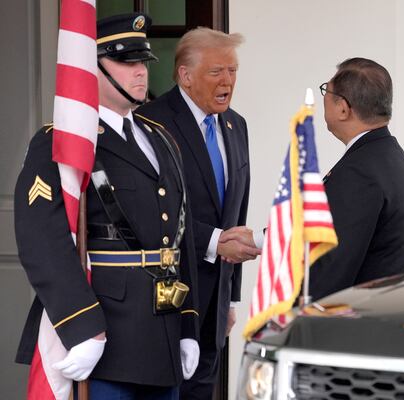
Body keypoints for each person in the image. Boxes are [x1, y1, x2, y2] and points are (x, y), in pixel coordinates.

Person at [14, 13, 200, 399]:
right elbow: (43, 241)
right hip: (106, 335)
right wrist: (81, 326)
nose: (140, 73)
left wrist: (188, 325)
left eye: (142, 62)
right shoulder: (62, 142)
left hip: (163, 334)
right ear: (89, 69)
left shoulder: (160, 138)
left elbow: (182, 239)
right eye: (125, 61)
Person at [137, 27, 260, 399]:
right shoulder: (150, 124)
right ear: (185, 76)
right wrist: (215, 242)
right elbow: (151, 212)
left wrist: (233, 298)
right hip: (168, 298)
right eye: (216, 72)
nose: (227, 81)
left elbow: (236, 212)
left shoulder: (236, 125)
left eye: (233, 71)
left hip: (216, 302)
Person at [309, 57, 404, 301]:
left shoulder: (360, 171)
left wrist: (297, 317)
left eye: (327, 89)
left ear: (344, 108)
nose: (323, 97)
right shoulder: (388, 153)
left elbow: (334, 265)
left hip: (360, 318)